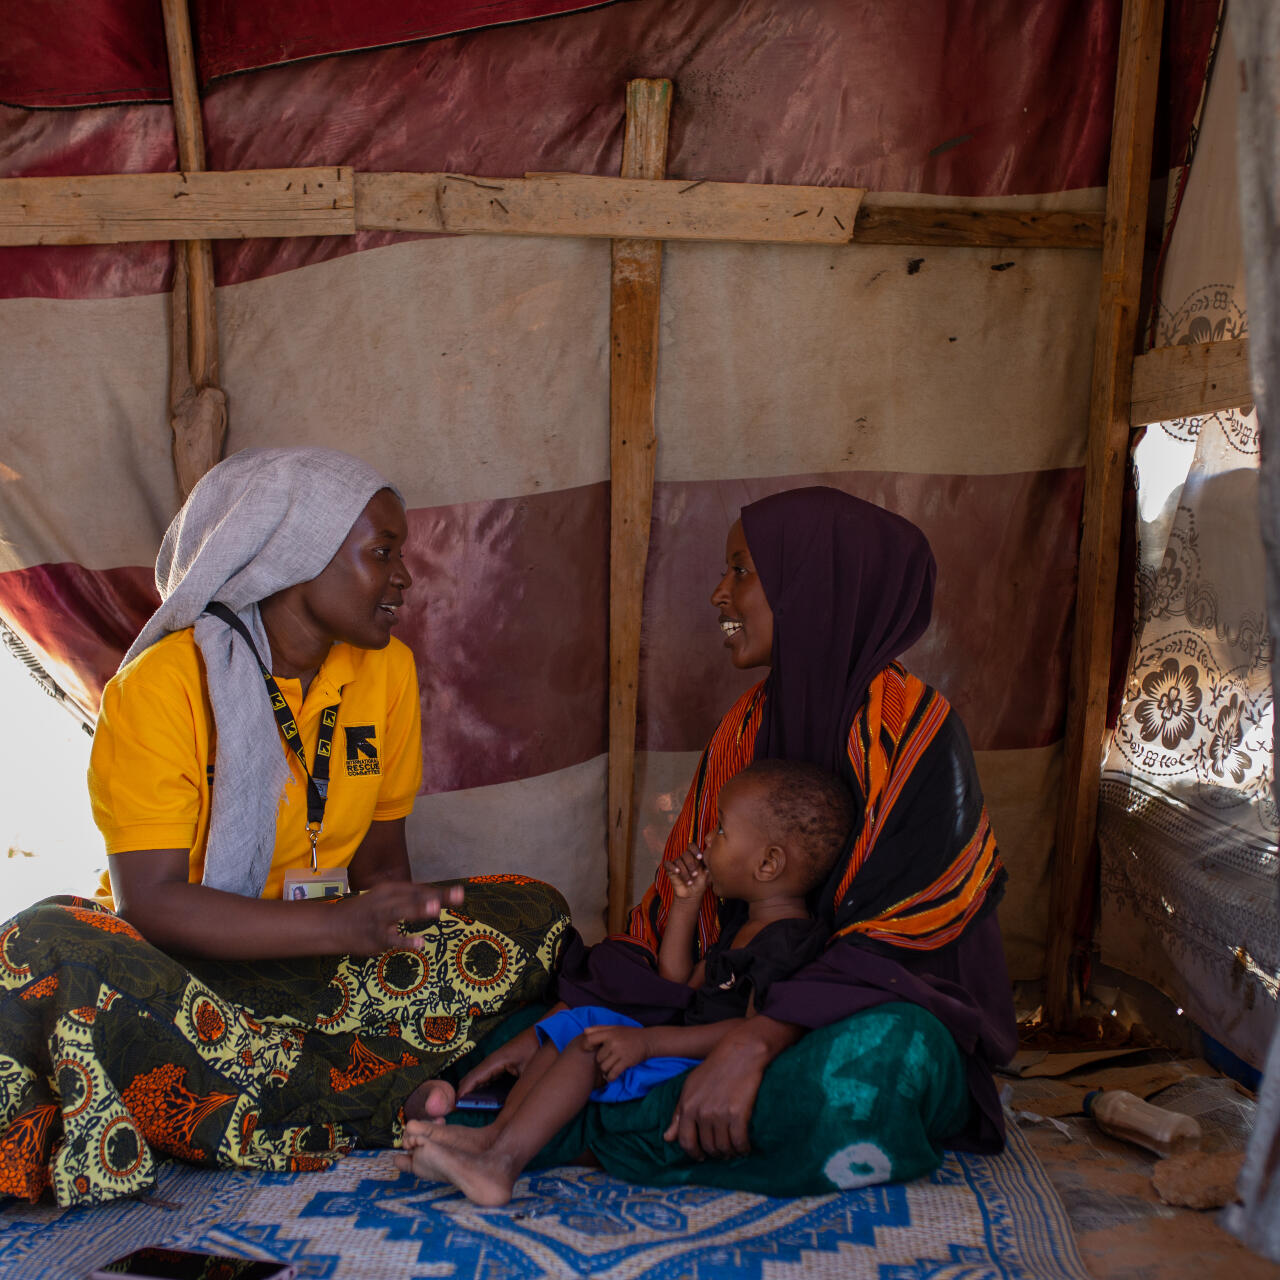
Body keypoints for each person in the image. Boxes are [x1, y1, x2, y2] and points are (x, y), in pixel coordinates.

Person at [0, 447, 569, 1207]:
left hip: (317, 975)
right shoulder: (161, 689)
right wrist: (341, 927)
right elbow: (154, 905)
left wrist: (395, 925)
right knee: (39, 946)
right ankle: (364, 1091)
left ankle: (275, 1085)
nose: (404, 577)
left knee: (535, 913)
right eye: (382, 554)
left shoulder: (385, 671)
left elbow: (381, 873)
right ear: (291, 559)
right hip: (188, 975)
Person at [442, 486, 1017, 1197]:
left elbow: (899, 943)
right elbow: (683, 909)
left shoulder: (915, 730)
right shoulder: (747, 726)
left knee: (882, 1062)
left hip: (865, 1014)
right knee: (534, 1029)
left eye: (741, 572)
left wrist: (757, 1037)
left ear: (815, 585)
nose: (719, 595)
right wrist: (580, 1013)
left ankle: (587, 1127)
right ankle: (643, 1122)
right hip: (727, 1010)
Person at [394, 759, 853, 1204]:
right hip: (675, 1044)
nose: (708, 839)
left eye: (723, 831)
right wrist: (686, 904)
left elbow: (749, 1031)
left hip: (698, 1062)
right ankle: (494, 1139)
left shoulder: (789, 942)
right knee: (577, 1024)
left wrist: (649, 1043)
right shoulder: (741, 925)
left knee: (590, 1046)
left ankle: (501, 1166)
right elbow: (681, 981)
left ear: (768, 864)